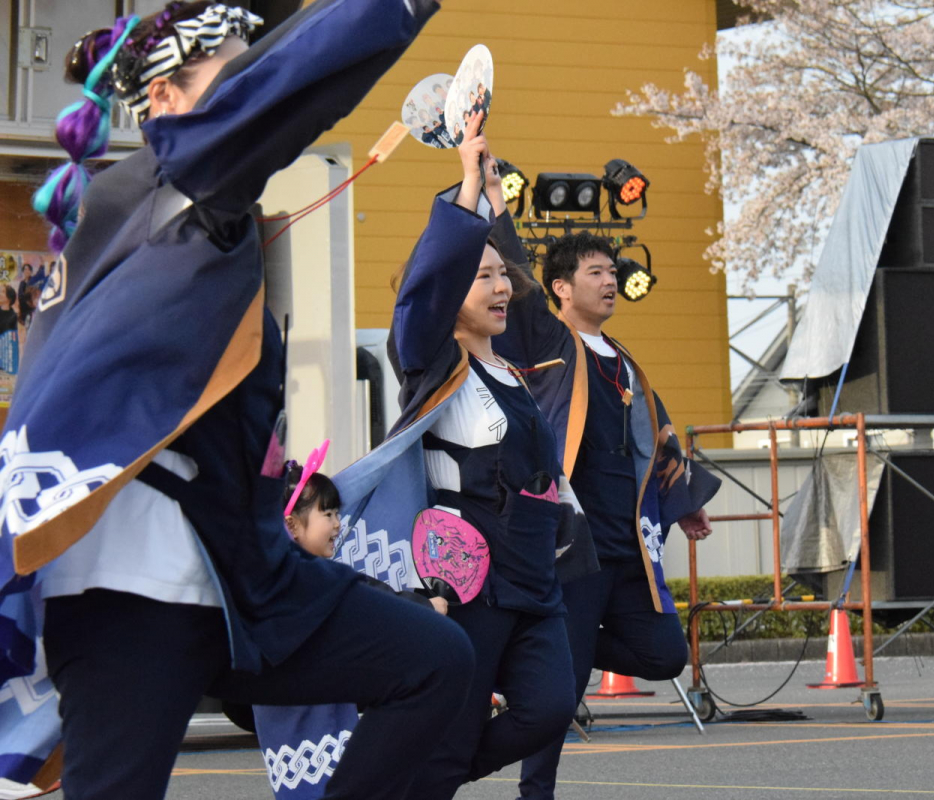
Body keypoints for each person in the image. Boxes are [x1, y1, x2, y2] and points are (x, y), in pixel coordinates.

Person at [0, 3, 472, 800]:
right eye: (240, 70)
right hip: (132, 587)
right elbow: (305, 68)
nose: (262, 81)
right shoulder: (168, 188)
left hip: (240, 576)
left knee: (435, 661)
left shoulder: (180, 218)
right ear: (166, 106)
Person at [344, 111, 587, 800]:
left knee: (548, 706)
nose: (502, 286)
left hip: (535, 581)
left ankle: (411, 780)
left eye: (500, 275)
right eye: (483, 277)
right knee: (449, 739)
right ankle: (424, 777)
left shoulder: (514, 368)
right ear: (449, 293)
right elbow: (424, 291)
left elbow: (535, 301)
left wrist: (494, 204)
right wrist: (462, 188)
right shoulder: (431, 364)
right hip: (465, 582)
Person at [477, 174, 720, 798]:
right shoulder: (549, 343)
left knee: (666, 655)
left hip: (629, 549)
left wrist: (684, 501)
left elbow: (659, 436)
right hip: (576, 548)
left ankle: (555, 651)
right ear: (561, 288)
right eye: (594, 272)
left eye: (612, 271)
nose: (610, 280)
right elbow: (520, 281)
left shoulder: (625, 359)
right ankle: (537, 792)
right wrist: (493, 198)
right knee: (558, 702)